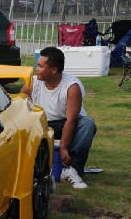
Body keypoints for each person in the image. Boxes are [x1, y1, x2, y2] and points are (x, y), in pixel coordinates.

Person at [21, 47, 97, 189]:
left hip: (67, 125)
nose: (36, 69)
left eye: (40, 66)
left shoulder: (72, 86)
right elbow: (21, 109)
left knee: (88, 124)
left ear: (53, 70)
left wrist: (63, 147)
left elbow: (71, 120)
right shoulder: (32, 83)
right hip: (42, 124)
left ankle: (72, 170)